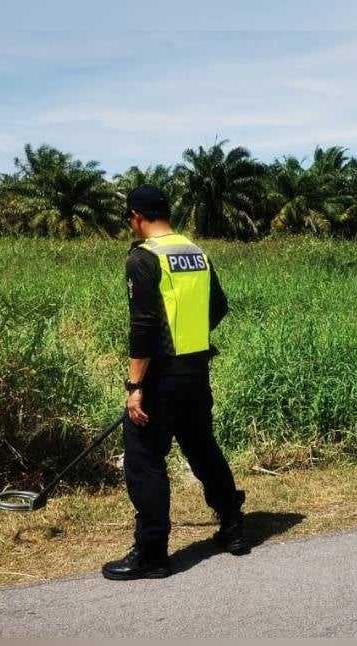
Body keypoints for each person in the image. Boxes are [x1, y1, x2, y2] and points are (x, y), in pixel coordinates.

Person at [102, 185, 247, 581]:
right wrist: (190, 338)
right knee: (202, 447)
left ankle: (152, 553)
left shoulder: (143, 258)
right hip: (196, 371)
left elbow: (143, 327)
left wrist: (135, 386)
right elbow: (219, 306)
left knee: (144, 458)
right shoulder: (196, 253)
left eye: (128, 217)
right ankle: (233, 525)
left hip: (161, 376)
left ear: (136, 216)